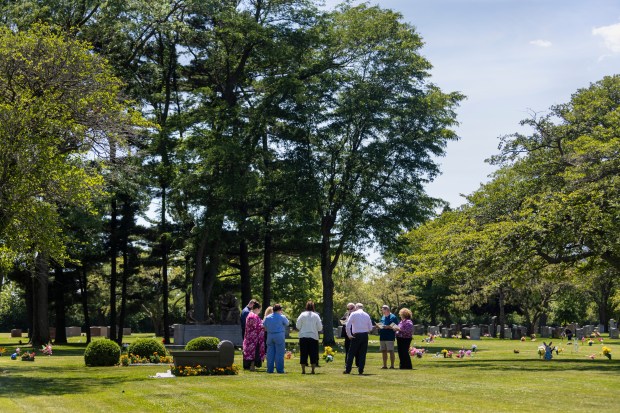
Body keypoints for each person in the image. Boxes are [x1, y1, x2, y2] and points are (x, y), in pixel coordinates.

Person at [344, 303, 373, 375]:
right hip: (365, 335)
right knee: (363, 353)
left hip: (356, 335)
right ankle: (361, 370)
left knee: (351, 353)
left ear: (356, 307)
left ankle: (348, 370)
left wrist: (349, 335)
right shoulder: (367, 315)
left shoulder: (353, 314)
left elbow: (348, 325)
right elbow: (370, 328)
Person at [296, 300, 323, 374]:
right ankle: (313, 370)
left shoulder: (302, 315)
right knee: (313, 354)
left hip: (303, 336)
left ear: (306, 306)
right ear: (313, 307)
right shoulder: (316, 315)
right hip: (313, 336)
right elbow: (320, 328)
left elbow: (298, 326)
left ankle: (303, 370)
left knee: (303, 353)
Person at [263, 303, 289, 373]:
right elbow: (287, 323)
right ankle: (280, 370)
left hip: (270, 336)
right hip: (279, 335)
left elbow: (264, 325)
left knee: (270, 353)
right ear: (280, 310)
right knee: (279, 353)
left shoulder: (268, 317)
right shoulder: (282, 317)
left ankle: (270, 369)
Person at [243, 301, 265, 371]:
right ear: (257, 309)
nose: (259, 312)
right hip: (253, 337)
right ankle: (252, 366)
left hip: (250, 336)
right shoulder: (253, 316)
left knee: (250, 352)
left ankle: (251, 365)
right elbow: (256, 327)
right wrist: (263, 326)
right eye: (260, 310)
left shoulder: (250, 315)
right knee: (253, 352)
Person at [377, 304, 398, 369]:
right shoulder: (383, 317)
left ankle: (392, 365)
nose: (382, 311)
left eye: (383, 310)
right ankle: (384, 365)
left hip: (389, 336)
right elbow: (381, 324)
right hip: (382, 336)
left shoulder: (393, 317)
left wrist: (388, 326)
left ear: (387, 310)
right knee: (383, 351)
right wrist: (378, 326)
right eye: (382, 310)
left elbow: (395, 326)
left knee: (391, 350)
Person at [340, 303, 356, 368]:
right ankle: (347, 363)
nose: (349, 309)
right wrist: (344, 321)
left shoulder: (356, 314)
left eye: (351, 308)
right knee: (347, 349)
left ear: (354, 308)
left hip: (354, 332)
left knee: (356, 349)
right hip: (347, 334)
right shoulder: (346, 314)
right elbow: (342, 320)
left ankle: (357, 363)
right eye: (348, 308)